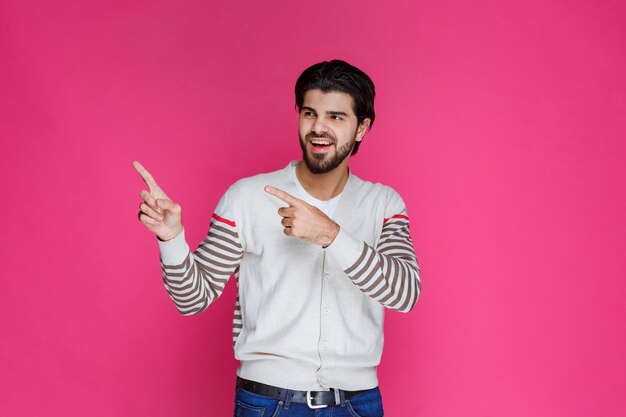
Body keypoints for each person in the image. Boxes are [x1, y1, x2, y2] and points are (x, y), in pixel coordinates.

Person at [134, 59, 421, 417]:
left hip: (357, 402)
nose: (319, 128)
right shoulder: (247, 197)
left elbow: (406, 293)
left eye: (336, 117)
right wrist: (172, 238)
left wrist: (330, 235)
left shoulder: (383, 204)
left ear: (362, 128)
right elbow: (193, 298)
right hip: (268, 402)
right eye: (309, 113)